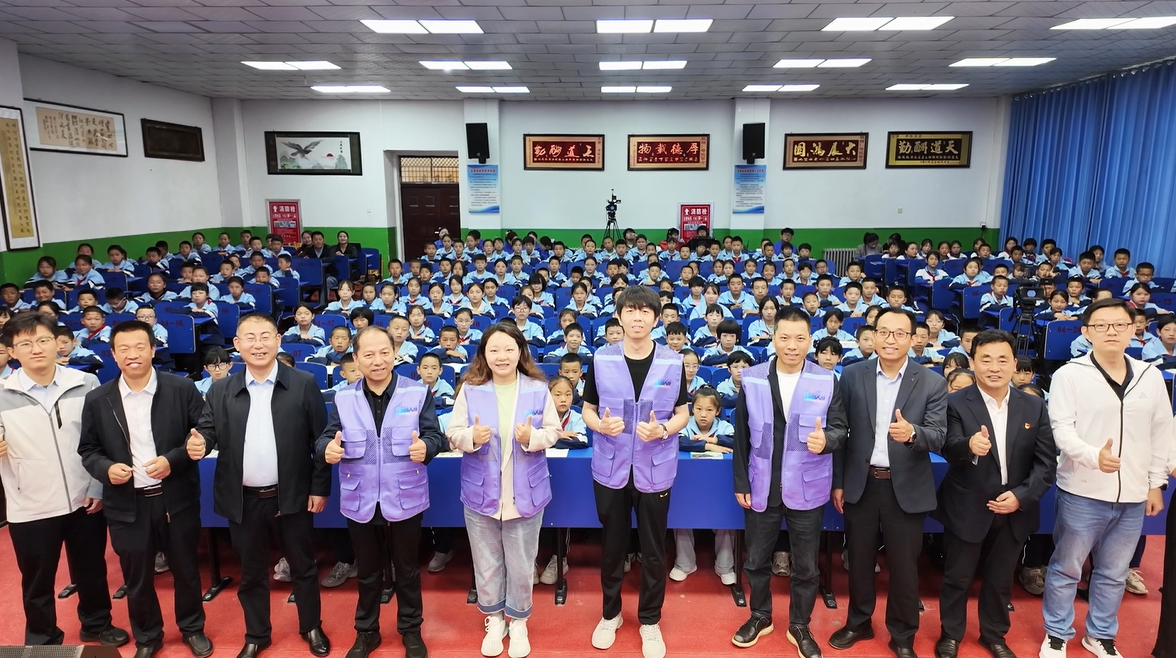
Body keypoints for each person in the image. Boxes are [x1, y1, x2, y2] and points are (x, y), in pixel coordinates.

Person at [186, 313, 331, 658]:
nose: (258, 344)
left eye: (265, 336)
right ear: (237, 345)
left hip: (292, 494)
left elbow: (322, 439)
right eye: (249, 338)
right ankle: (257, 634)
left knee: (303, 566)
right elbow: (207, 430)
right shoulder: (221, 389)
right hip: (244, 498)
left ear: (278, 340)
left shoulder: (303, 383)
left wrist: (319, 487)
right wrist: (200, 442)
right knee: (251, 572)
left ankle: (311, 626)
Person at [1039, 299, 1172, 658]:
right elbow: (1060, 429)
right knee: (1066, 567)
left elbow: (1161, 432)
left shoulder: (1150, 375)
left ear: (1133, 329)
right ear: (1086, 332)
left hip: (1133, 493)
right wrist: (1091, 455)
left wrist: (1155, 483)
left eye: (1119, 324)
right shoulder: (1070, 374)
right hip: (1082, 490)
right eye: (1101, 325)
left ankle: (1099, 634)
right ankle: (1056, 632)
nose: (1111, 331)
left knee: (1114, 572)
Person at [77, 321, 212, 658]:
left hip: (175, 498)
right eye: (123, 348)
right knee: (136, 576)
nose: (132, 354)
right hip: (126, 503)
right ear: (113, 354)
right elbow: (88, 450)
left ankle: (192, 628)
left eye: (140, 347)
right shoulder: (97, 399)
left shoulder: (181, 388)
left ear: (153, 349)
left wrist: (173, 460)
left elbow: (203, 433)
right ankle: (148, 637)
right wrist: (106, 469)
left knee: (186, 570)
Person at [0, 312, 130, 648]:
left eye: (43, 340)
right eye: (25, 343)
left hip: (84, 496)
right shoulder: (1, 393)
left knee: (91, 568)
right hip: (29, 502)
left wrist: (98, 485)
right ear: (12, 351)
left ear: (57, 343)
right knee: (37, 578)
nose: (36, 349)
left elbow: (104, 439)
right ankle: (43, 638)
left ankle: (97, 624)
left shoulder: (85, 383)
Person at [317, 326, 447, 658]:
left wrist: (427, 447)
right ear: (356, 358)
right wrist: (326, 449)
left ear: (395, 354)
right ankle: (367, 632)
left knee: (407, 568)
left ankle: (411, 630)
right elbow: (327, 437)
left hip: (405, 494)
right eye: (369, 354)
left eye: (384, 353)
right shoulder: (343, 398)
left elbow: (435, 436)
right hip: (360, 496)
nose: (378, 361)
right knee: (368, 569)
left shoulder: (417, 393)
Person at [830, 308, 948, 658]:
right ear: (874, 335)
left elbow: (939, 436)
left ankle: (902, 634)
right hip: (862, 482)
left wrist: (913, 434)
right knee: (859, 559)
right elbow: (841, 430)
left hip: (906, 486)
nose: (890, 339)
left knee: (904, 566)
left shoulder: (931, 382)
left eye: (899, 333)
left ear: (912, 339)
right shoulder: (853, 375)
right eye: (883, 332)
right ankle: (859, 622)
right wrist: (839, 481)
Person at [581, 285, 691, 658]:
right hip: (610, 467)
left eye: (645, 311)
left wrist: (664, 430)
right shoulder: (601, 359)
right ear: (620, 316)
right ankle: (610, 614)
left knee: (654, 550)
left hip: (654, 468)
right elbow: (587, 409)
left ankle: (650, 621)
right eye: (631, 310)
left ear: (656, 319)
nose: (638, 317)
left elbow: (682, 413)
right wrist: (599, 425)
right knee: (612, 547)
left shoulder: (672, 362)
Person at [933, 330, 1057, 658]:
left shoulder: (1034, 406)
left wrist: (1021, 496)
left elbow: (1046, 464)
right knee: (957, 577)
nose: (994, 367)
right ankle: (951, 634)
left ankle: (994, 635)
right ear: (972, 362)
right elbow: (948, 446)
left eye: (1003, 360)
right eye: (985, 359)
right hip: (967, 505)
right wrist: (969, 446)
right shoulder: (955, 402)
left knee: (1001, 579)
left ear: (1015, 363)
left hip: (1014, 508)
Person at [731, 306, 848, 654]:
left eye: (799, 338)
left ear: (810, 340)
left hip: (807, 485)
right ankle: (760, 616)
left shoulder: (826, 379)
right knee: (756, 560)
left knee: (807, 566)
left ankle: (800, 624)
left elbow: (840, 428)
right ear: (773, 337)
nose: (792, 345)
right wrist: (741, 482)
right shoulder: (752, 378)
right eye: (784, 337)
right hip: (762, 484)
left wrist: (827, 439)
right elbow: (741, 436)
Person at [446, 323, 561, 658]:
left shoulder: (537, 388)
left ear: (520, 352)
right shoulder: (471, 389)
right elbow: (453, 432)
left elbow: (553, 431)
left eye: (509, 349)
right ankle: (495, 619)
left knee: (522, 562)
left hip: (525, 492)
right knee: (486, 561)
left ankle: (519, 620)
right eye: (494, 350)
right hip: (480, 491)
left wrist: (532, 438)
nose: (502, 356)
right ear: (484, 353)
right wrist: (470, 437)